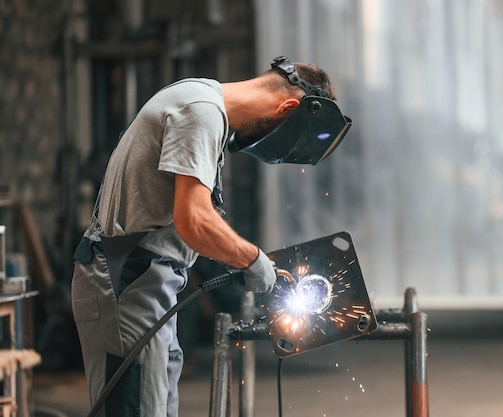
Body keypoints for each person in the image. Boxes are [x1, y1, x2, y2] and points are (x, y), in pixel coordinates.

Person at [71, 56, 351, 417]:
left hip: (145, 283)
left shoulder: (200, 103)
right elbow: (195, 220)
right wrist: (253, 259)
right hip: (127, 282)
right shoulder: (201, 113)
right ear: (288, 107)